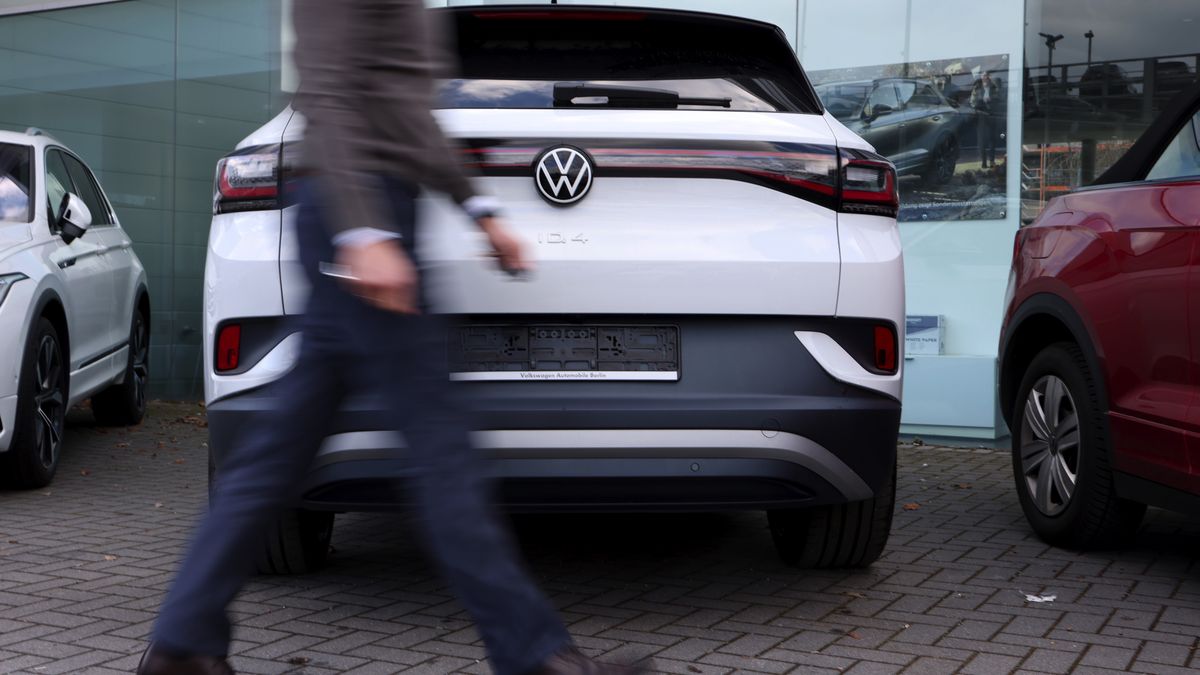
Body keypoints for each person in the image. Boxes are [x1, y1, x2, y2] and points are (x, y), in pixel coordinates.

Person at [136, 2, 646, 674]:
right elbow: (332, 89)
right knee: (441, 449)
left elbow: (406, 113)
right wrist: (364, 234)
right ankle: (534, 655)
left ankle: (184, 640)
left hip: (380, 208)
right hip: (360, 212)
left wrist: (479, 207)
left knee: (279, 450)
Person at [970, 72, 1000, 168]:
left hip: (991, 114)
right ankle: (983, 161)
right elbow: (972, 101)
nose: (985, 78)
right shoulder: (977, 88)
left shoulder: (994, 87)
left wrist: (990, 100)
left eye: (987, 76)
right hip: (981, 115)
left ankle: (991, 160)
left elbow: (998, 98)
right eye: (983, 76)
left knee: (992, 138)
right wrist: (979, 103)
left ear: (989, 77)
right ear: (981, 77)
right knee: (981, 139)